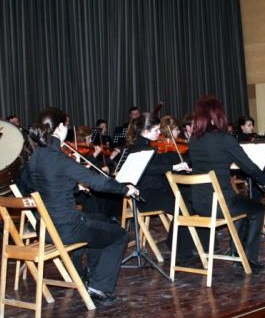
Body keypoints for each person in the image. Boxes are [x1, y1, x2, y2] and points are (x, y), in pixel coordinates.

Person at [23, 107, 139, 302]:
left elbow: (51, 187)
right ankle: (99, 288)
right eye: (66, 126)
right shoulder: (58, 158)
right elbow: (98, 182)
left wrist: (76, 186)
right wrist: (125, 189)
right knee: (120, 236)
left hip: (45, 227)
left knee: (101, 220)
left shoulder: (36, 157)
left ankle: (93, 278)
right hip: (67, 227)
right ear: (60, 127)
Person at [188, 96, 265, 270]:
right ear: (216, 115)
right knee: (257, 209)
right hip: (220, 204)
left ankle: (235, 251)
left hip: (200, 204)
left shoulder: (194, 140)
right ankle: (249, 260)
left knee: (240, 203)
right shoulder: (223, 138)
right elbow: (248, 167)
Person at [126, 113, 195, 256]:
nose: (159, 133)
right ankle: (179, 249)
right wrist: (174, 167)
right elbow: (149, 170)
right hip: (146, 196)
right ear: (145, 131)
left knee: (192, 199)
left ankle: (178, 244)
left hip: (160, 190)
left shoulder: (150, 146)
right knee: (184, 207)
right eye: (156, 130)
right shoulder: (138, 148)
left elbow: (161, 165)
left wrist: (180, 166)